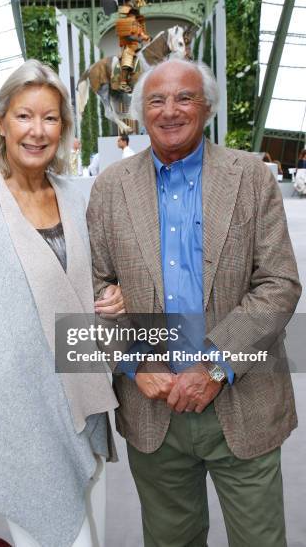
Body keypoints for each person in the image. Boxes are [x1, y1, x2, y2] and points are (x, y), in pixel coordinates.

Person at [87, 58, 301, 547]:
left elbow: (280, 283)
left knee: (260, 539)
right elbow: (95, 285)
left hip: (244, 400)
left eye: (184, 97)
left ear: (206, 107)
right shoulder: (110, 189)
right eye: (156, 100)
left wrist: (215, 366)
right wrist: (134, 361)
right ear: (139, 112)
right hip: (152, 409)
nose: (169, 111)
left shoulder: (250, 177)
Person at [0, 60, 124, 547]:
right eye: (24, 116)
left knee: (90, 533)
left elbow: (88, 281)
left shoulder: (78, 197)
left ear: (64, 128)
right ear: (1, 123)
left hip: (81, 405)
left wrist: (112, 297)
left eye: (51, 118)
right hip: (11, 414)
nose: (38, 131)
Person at [115, 0, 150, 92]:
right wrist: (139, 39)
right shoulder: (124, 22)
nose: (137, 11)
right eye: (135, 9)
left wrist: (148, 38)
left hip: (138, 47)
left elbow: (141, 34)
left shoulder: (138, 22)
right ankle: (123, 83)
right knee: (128, 57)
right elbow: (127, 36)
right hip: (129, 47)